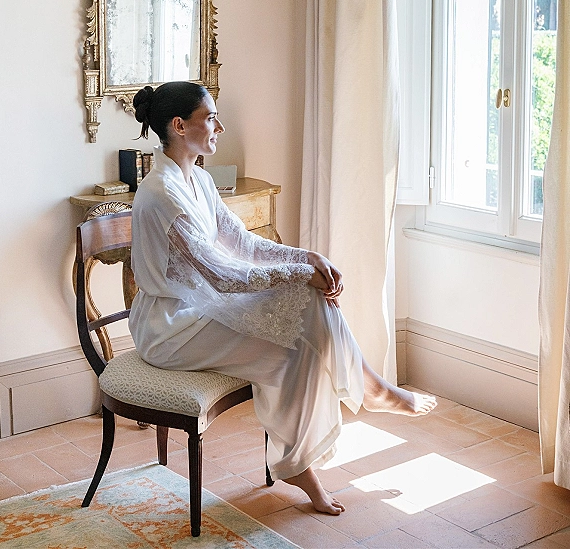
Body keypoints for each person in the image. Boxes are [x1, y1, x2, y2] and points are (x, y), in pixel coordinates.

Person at [128, 81, 436, 515]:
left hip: (201, 310)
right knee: (300, 323)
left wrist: (307, 257)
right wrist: (301, 275)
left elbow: (245, 246)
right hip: (169, 328)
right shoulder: (161, 192)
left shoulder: (196, 177)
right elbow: (223, 276)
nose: (220, 125)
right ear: (180, 126)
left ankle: (313, 448)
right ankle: (366, 389)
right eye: (210, 117)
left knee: (298, 346)